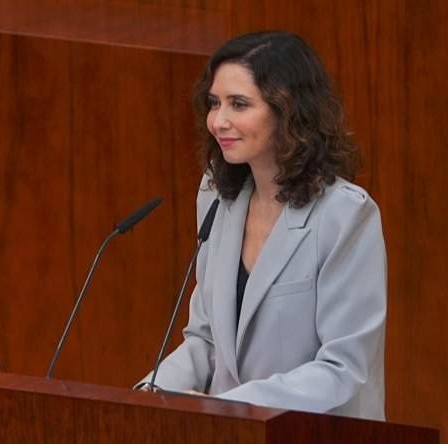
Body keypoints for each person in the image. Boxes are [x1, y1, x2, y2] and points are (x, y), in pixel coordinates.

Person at [137, 31, 387, 421]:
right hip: (234, 431)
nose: (219, 121)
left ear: (288, 112)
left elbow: (343, 367)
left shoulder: (345, 215)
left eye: (239, 104)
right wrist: (152, 393)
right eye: (214, 103)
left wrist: (234, 405)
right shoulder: (217, 195)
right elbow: (205, 338)